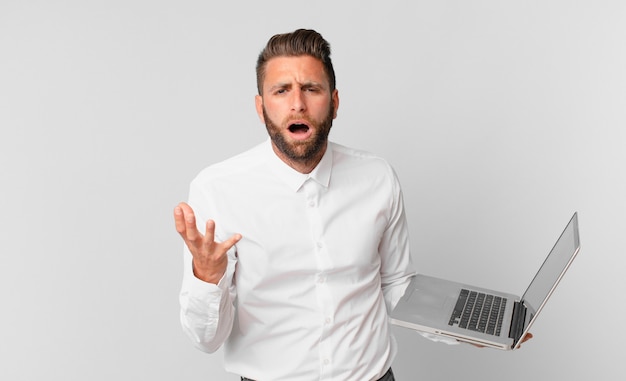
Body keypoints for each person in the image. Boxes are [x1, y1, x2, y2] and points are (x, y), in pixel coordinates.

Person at [174, 28, 529, 381]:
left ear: (334, 102)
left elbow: (398, 285)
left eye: (311, 89)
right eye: (281, 91)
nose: (297, 103)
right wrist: (207, 277)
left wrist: (469, 327)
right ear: (260, 106)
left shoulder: (377, 177)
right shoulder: (217, 189)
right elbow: (205, 340)